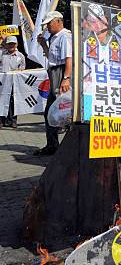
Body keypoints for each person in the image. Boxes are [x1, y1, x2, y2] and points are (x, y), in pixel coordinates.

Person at [34, 11, 72, 156]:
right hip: (55, 72)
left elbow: (69, 58)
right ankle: (52, 145)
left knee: (65, 111)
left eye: (49, 23)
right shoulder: (55, 37)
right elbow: (52, 57)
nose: (47, 27)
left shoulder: (65, 36)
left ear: (58, 21)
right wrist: (44, 45)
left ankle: (67, 148)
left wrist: (66, 78)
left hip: (61, 73)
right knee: (50, 112)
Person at [0, 36, 25, 128]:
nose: (11, 45)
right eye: (9, 43)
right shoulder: (1, 53)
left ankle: (13, 120)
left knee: (14, 101)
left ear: (16, 44)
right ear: (6, 44)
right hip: (2, 82)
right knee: (1, 101)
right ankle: (1, 121)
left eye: (13, 43)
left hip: (15, 83)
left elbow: (23, 70)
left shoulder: (21, 56)